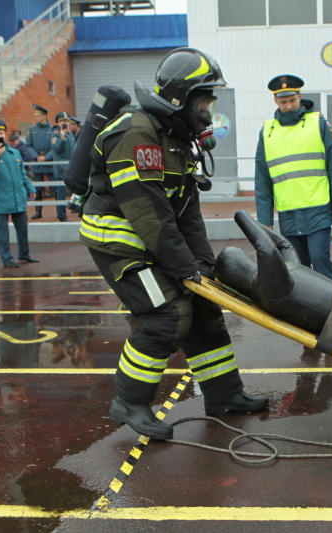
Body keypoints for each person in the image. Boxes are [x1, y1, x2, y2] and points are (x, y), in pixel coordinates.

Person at [79, 47, 268, 441]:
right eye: (204, 102)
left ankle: (224, 394)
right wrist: (184, 270)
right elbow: (148, 214)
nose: (208, 112)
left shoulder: (176, 137)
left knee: (203, 303)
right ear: (181, 99)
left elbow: (186, 211)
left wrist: (202, 265)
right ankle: (129, 401)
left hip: (153, 237)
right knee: (166, 313)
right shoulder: (137, 133)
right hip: (120, 242)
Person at [255, 74, 332, 282]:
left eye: (292, 100)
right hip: (288, 213)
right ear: (275, 101)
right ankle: (306, 310)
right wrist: (264, 220)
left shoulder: (317, 123)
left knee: (320, 259)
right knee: (297, 267)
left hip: (318, 208)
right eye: (283, 102)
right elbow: (262, 179)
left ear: (300, 97)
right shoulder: (267, 132)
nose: (289, 106)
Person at [0, 119, 39, 268]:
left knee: (22, 228)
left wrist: (30, 187)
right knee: (2, 232)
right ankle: (6, 258)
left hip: (17, 197)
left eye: (1, 133)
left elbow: (22, 173)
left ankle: (24, 253)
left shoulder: (14, 152)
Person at [26, 104, 55, 220]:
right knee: (37, 188)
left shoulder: (52, 129)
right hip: (37, 162)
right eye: (35, 116)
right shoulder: (32, 130)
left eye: (38, 115)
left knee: (55, 186)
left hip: (49, 162)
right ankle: (38, 212)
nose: (36, 118)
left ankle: (60, 212)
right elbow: (28, 145)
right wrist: (36, 156)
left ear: (44, 115)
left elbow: (55, 146)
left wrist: (47, 157)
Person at [50, 111, 76, 221]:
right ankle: (62, 215)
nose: (64, 123)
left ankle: (76, 209)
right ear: (58, 123)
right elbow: (57, 149)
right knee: (61, 194)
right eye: (62, 121)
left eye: (66, 121)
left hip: (71, 168)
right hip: (60, 170)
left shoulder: (71, 135)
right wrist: (62, 137)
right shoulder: (55, 136)